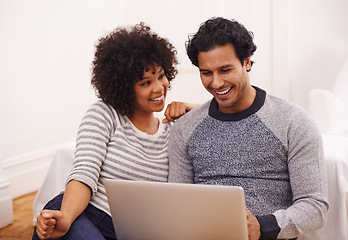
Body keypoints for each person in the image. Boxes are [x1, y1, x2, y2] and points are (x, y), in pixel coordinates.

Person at [168, 17, 329, 240]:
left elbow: (315, 206)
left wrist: (263, 227)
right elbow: (177, 202)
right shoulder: (184, 129)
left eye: (225, 70)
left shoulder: (293, 121)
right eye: (206, 73)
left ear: (247, 62)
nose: (216, 83)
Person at [33, 23, 196, 240]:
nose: (159, 87)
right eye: (145, 82)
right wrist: (66, 217)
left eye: (161, 75)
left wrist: (196, 112)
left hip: (130, 231)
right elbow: (84, 173)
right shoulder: (105, 114)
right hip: (85, 214)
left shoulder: (172, 133)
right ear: (124, 86)